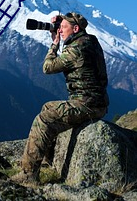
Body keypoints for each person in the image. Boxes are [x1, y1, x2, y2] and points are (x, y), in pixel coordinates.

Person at [11, 12, 109, 184]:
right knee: (48, 107)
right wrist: (62, 23)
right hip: (96, 102)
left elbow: (47, 68)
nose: (60, 30)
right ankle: (48, 161)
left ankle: (28, 175)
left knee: (44, 119)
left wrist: (54, 44)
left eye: (64, 28)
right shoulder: (90, 41)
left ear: (76, 29)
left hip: (86, 104)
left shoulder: (76, 50)